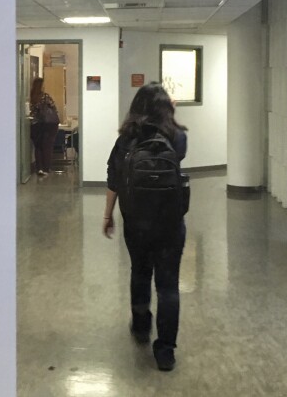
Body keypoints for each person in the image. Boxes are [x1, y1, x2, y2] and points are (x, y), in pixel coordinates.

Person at [103, 82, 188, 372]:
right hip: (170, 223)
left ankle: (141, 326)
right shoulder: (177, 137)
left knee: (140, 272)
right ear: (166, 107)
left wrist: (107, 216)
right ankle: (165, 351)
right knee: (168, 285)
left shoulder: (126, 138)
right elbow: (178, 159)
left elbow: (114, 178)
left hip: (136, 221)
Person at [29, 77, 59, 176]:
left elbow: (30, 112)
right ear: (41, 86)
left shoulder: (31, 97)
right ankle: (46, 168)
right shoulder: (45, 97)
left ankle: (39, 168)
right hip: (48, 125)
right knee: (47, 147)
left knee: (38, 147)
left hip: (35, 126)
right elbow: (54, 108)